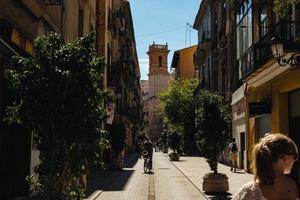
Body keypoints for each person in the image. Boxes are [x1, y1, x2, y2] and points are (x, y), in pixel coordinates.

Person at [233, 133, 299, 200]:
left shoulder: (249, 191)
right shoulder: (293, 185)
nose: (295, 160)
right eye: (294, 156)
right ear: (284, 157)